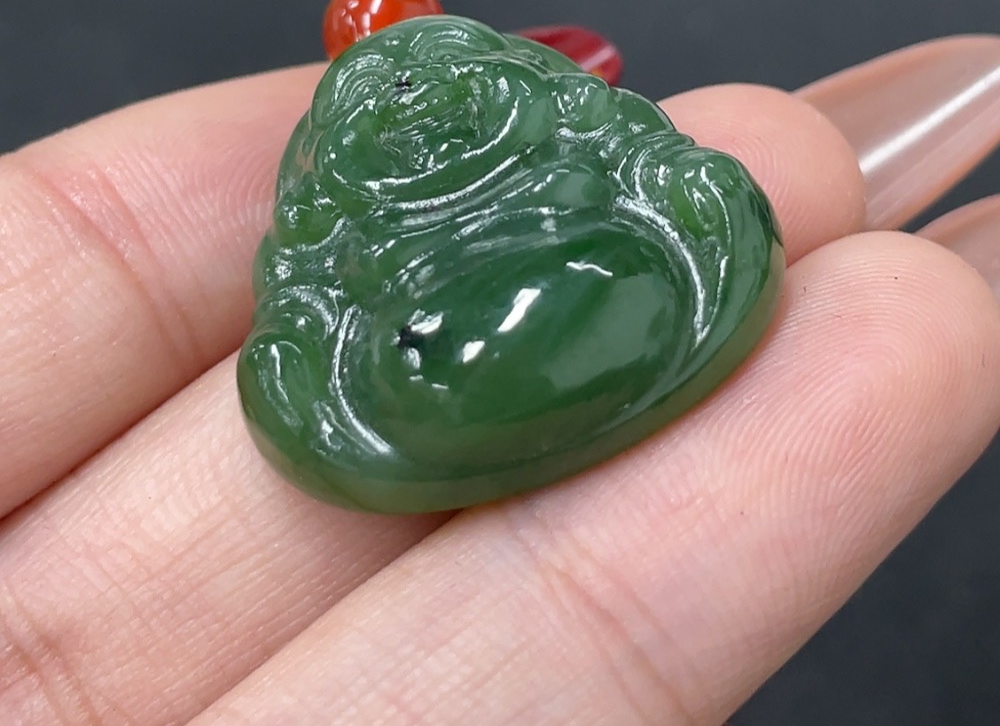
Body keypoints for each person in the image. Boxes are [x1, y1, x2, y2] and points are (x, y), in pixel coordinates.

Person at [0, 36, 997, 725]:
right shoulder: (342, 221)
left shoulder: (575, 146)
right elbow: (313, 291)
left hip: (610, 267)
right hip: (421, 349)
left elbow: (641, 165)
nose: (426, 123)